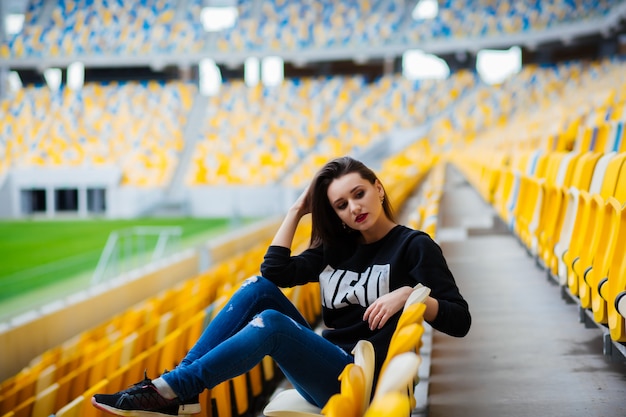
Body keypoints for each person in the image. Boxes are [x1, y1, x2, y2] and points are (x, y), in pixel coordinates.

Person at [92, 156, 471, 417]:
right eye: (340, 204)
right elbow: (273, 271)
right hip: (325, 362)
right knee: (257, 287)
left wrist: (411, 294)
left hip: (357, 376)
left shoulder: (414, 245)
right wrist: (296, 211)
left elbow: (459, 319)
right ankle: (178, 389)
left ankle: (171, 390)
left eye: (359, 194)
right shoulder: (334, 250)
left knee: (272, 323)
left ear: (378, 188)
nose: (354, 208)